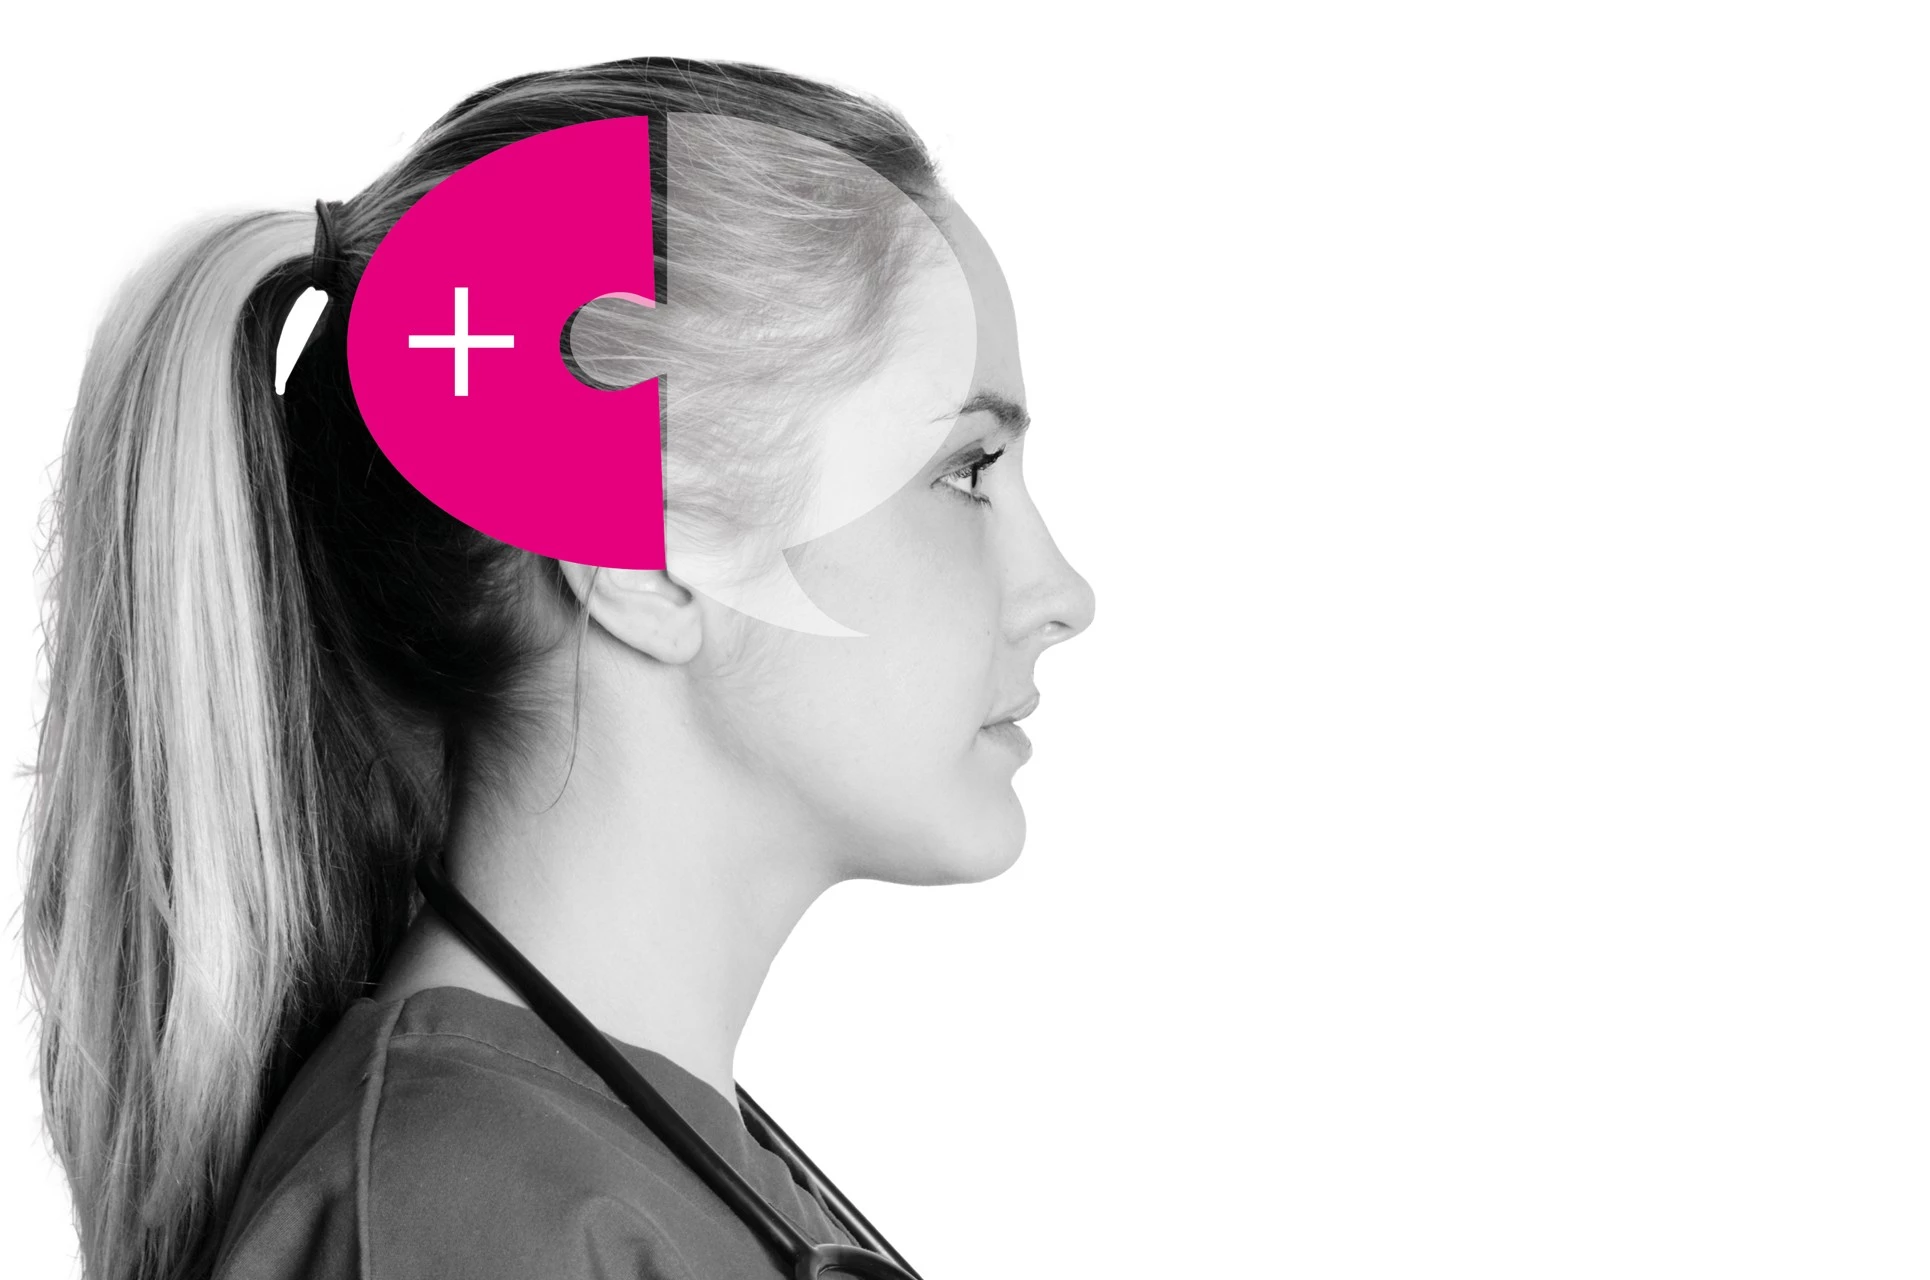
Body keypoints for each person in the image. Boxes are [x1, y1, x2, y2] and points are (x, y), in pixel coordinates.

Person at [22, 55, 1095, 1280]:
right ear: (646, 561)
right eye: (965, 470)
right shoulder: (457, 1218)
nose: (1063, 594)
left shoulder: (604, 1164)